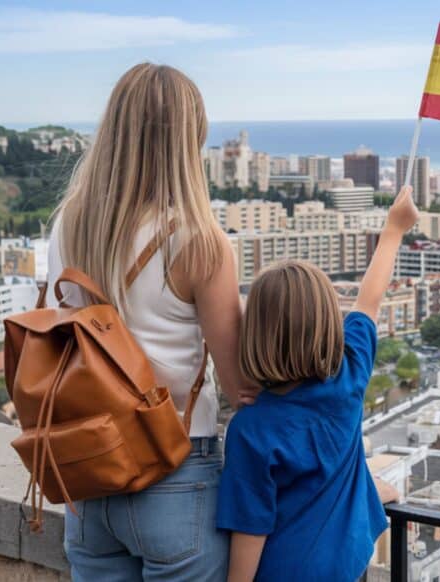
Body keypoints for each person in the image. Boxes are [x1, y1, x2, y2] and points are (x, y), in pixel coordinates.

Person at [46, 63, 254, 581]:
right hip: (175, 471)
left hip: (91, 473)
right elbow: (239, 388)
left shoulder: (68, 225)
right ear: (188, 141)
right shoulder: (201, 242)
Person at [216, 186, 418, 581]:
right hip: (345, 567)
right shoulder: (350, 374)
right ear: (328, 321)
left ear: (255, 333)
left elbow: (251, 527)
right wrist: (394, 229)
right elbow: (369, 300)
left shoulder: (251, 429)